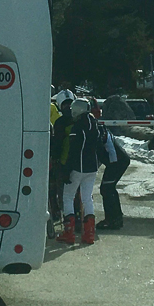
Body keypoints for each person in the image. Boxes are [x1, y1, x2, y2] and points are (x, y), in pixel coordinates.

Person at [56, 96, 104, 245]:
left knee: (68, 197)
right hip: (92, 168)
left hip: (78, 168)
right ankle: (89, 234)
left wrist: (66, 170)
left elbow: (73, 151)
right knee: (87, 198)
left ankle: (69, 233)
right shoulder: (95, 124)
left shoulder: (77, 127)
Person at [95, 104, 129, 231]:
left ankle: (112, 220)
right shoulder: (101, 129)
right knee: (109, 188)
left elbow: (105, 153)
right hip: (119, 160)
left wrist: (111, 165)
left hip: (117, 162)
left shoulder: (97, 133)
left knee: (106, 189)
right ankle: (116, 217)